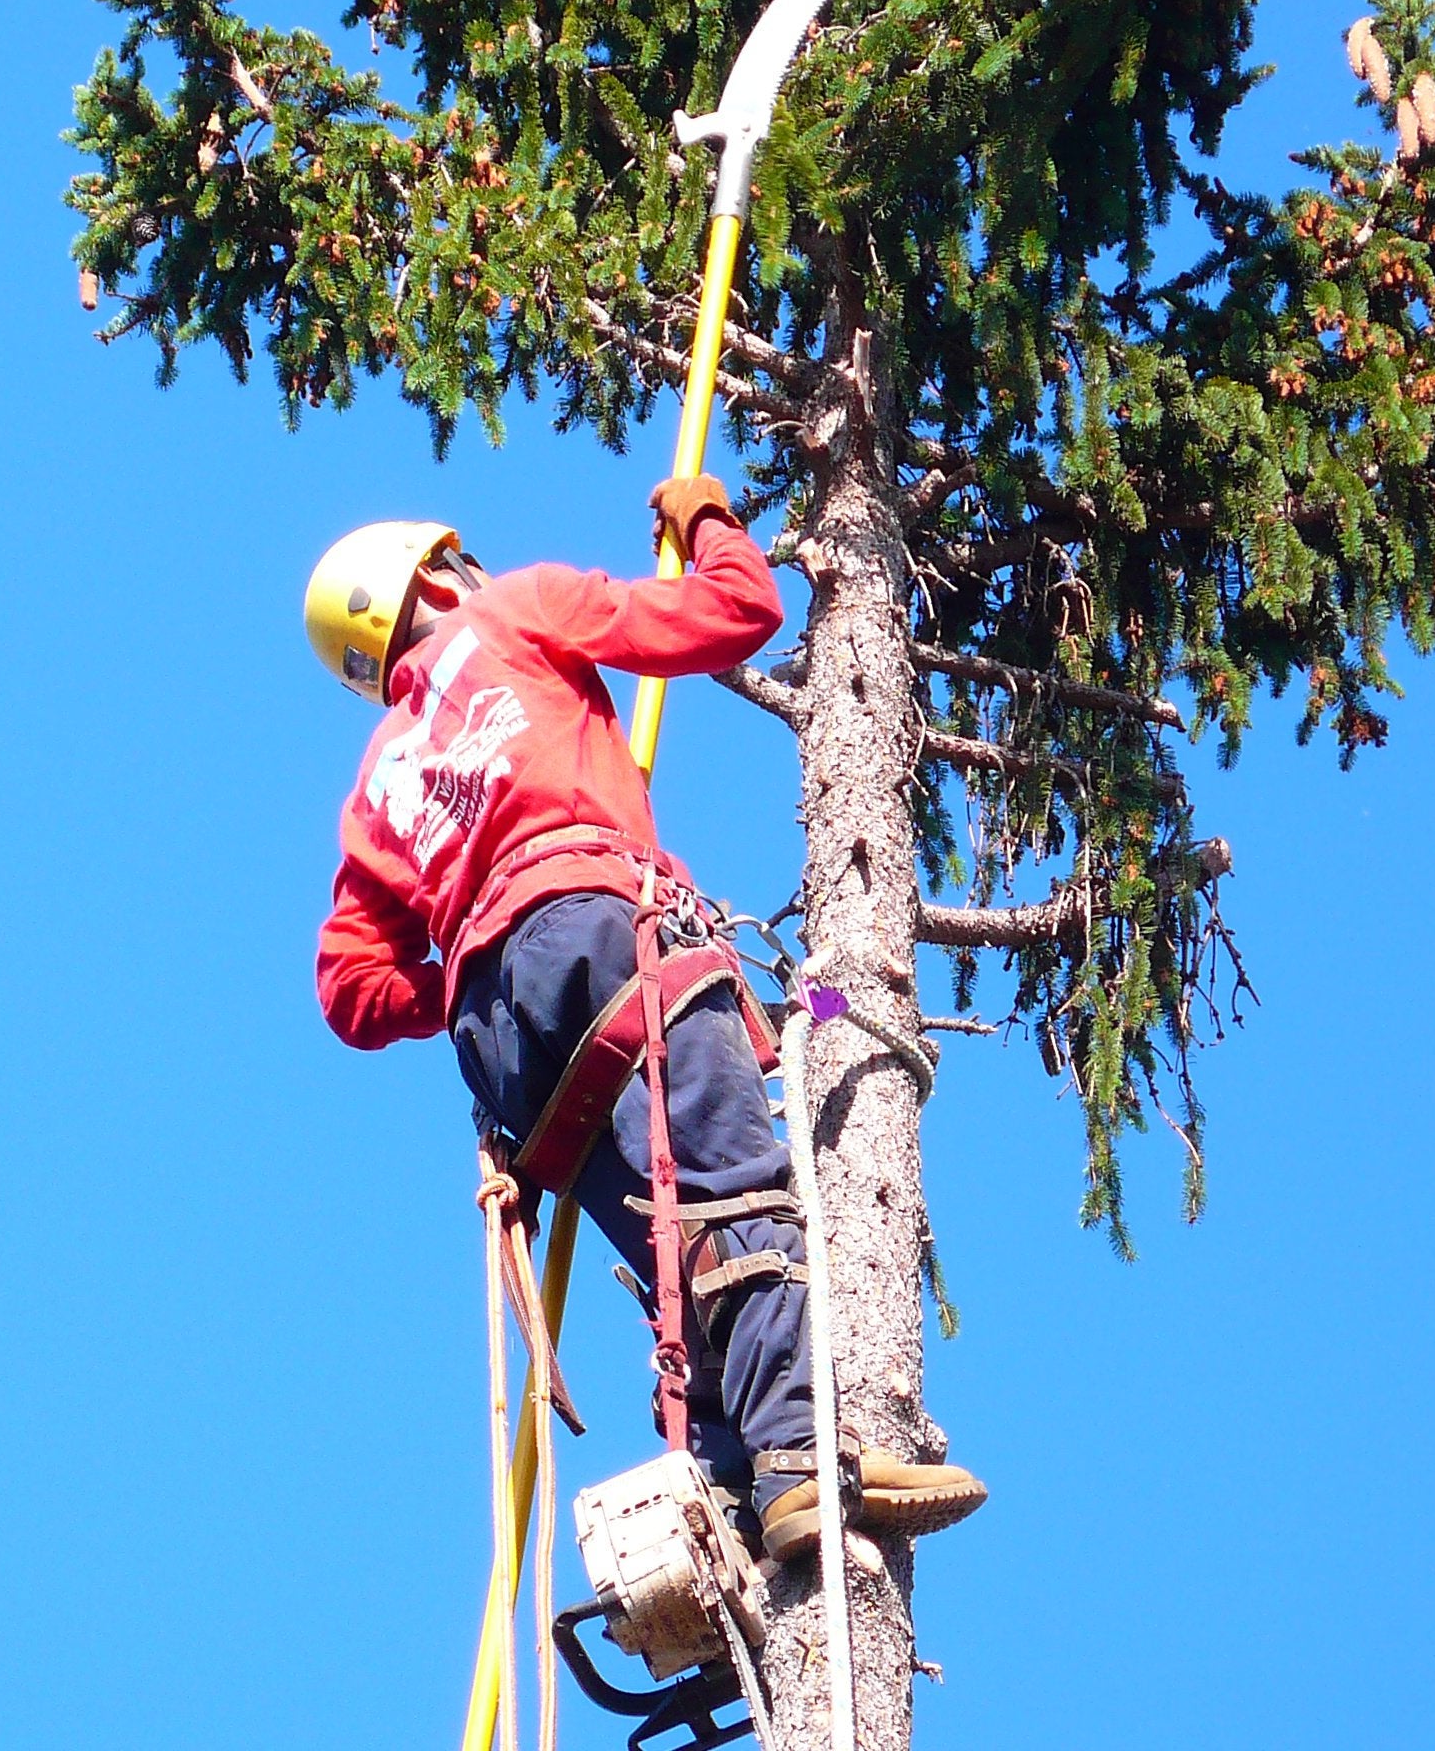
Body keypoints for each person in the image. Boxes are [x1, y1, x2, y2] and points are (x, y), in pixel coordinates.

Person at [300, 476, 984, 1559]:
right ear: (434, 574)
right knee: (728, 1191)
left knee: (672, 1241)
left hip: (506, 1039)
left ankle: (729, 1490)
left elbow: (348, 987)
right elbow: (737, 616)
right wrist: (705, 518)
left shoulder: (379, 778)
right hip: (606, 929)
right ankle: (800, 1458)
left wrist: (469, 972)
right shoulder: (517, 607)